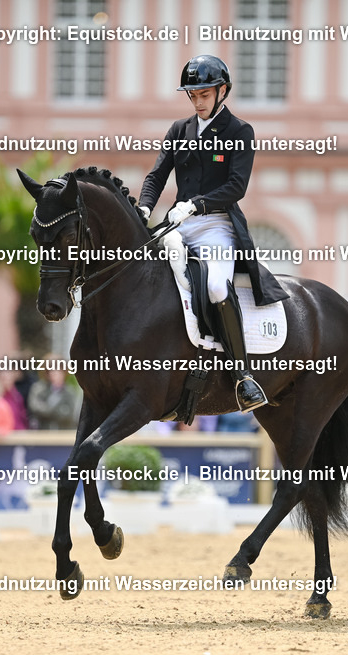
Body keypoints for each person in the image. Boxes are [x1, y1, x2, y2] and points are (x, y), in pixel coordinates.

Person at [138, 54, 288, 413]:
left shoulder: (239, 132)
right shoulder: (180, 130)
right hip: (178, 223)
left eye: (204, 94)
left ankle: (242, 376)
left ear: (223, 91)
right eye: (192, 95)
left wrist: (198, 205)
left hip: (216, 224)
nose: (197, 101)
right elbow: (157, 175)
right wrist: (144, 207)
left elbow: (236, 186)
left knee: (218, 286)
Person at [27, 357, 80, 430]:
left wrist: (48, 410)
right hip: (42, 431)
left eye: (58, 370)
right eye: (51, 370)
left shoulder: (70, 392)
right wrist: (56, 410)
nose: (54, 373)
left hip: (62, 432)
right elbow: (35, 407)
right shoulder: (38, 389)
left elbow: (70, 413)